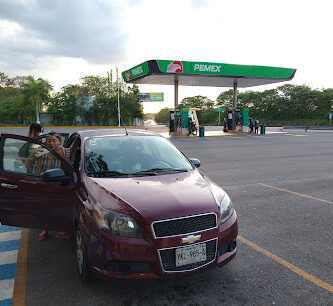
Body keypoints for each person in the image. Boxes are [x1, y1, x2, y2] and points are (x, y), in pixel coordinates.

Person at [26, 131, 71, 241]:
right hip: (42, 183)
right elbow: (28, 163)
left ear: (60, 141)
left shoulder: (66, 152)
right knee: (43, 207)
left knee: (58, 207)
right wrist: (33, 175)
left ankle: (60, 230)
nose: (51, 143)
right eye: (49, 141)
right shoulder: (40, 151)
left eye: (54, 141)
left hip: (57, 183)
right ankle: (45, 230)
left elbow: (70, 166)